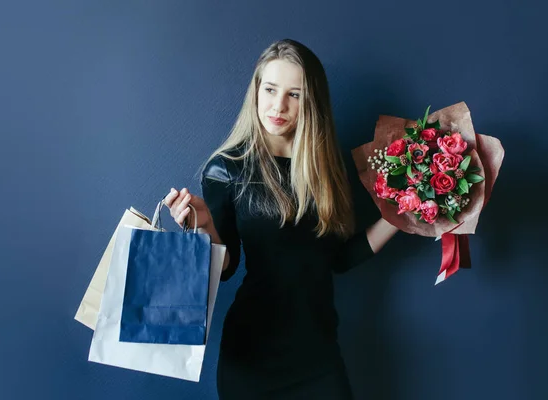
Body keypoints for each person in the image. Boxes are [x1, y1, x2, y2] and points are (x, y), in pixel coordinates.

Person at [163, 39, 399, 400]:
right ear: (256, 91)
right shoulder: (227, 169)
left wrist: (403, 217)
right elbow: (225, 267)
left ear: (312, 102)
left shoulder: (326, 168)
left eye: (295, 95)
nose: (278, 105)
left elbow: (338, 258)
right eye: (270, 90)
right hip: (252, 355)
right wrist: (206, 226)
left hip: (318, 353)